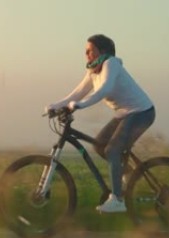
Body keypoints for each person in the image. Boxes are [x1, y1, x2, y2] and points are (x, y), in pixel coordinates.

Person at [46, 34, 156, 213]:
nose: (86, 54)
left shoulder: (110, 64)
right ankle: (126, 172)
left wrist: (81, 105)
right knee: (99, 146)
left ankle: (118, 200)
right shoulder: (93, 71)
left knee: (112, 149)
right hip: (124, 114)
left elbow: (105, 88)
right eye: (85, 51)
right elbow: (76, 94)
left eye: (90, 50)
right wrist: (55, 106)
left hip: (141, 112)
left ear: (102, 51)